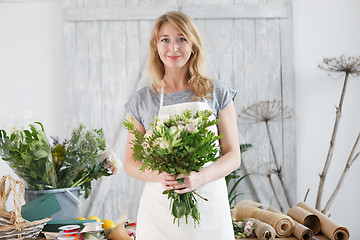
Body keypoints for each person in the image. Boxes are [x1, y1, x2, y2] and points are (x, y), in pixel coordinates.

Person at [124, 11, 241, 240]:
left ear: (193, 45)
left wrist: (201, 176)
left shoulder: (217, 93)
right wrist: (158, 174)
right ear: (156, 47)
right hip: (159, 213)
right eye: (165, 40)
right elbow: (129, 162)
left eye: (181, 39)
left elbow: (233, 156)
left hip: (209, 208)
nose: (173, 48)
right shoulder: (141, 100)